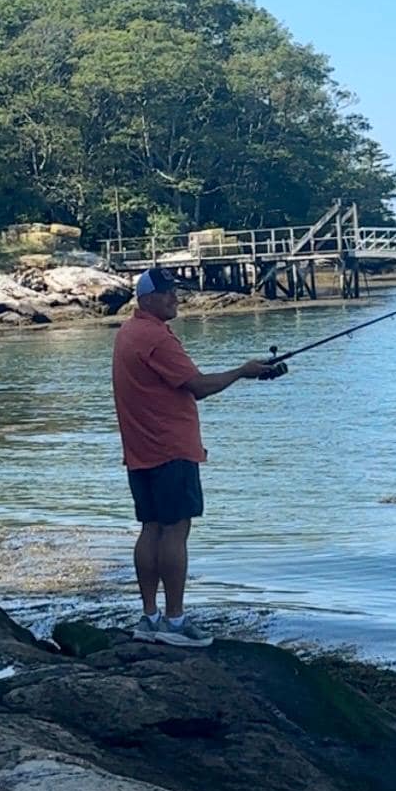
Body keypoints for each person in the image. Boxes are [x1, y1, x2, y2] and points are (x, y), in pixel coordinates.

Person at [112, 266, 278, 648]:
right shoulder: (156, 338)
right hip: (170, 449)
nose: (176, 298)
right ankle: (174, 622)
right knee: (175, 531)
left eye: (176, 291)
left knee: (151, 528)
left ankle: (150, 617)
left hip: (139, 450)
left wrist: (248, 372)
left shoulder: (127, 333)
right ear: (147, 298)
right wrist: (244, 371)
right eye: (168, 292)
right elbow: (199, 387)